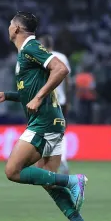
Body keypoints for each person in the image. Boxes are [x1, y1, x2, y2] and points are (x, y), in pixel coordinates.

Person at [0, 12, 94, 221]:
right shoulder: (27, 52)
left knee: (13, 170)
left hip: (43, 122)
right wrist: (7, 95)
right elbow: (29, 92)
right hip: (51, 120)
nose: (8, 27)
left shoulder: (31, 48)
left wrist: (40, 97)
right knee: (48, 180)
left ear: (15, 30)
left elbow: (61, 69)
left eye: (10, 24)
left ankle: (73, 181)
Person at [39, 35, 72, 175]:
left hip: (44, 101)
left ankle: (44, 161)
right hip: (61, 101)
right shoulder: (62, 57)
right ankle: (62, 160)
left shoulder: (39, 57)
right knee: (60, 132)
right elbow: (67, 81)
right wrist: (68, 99)